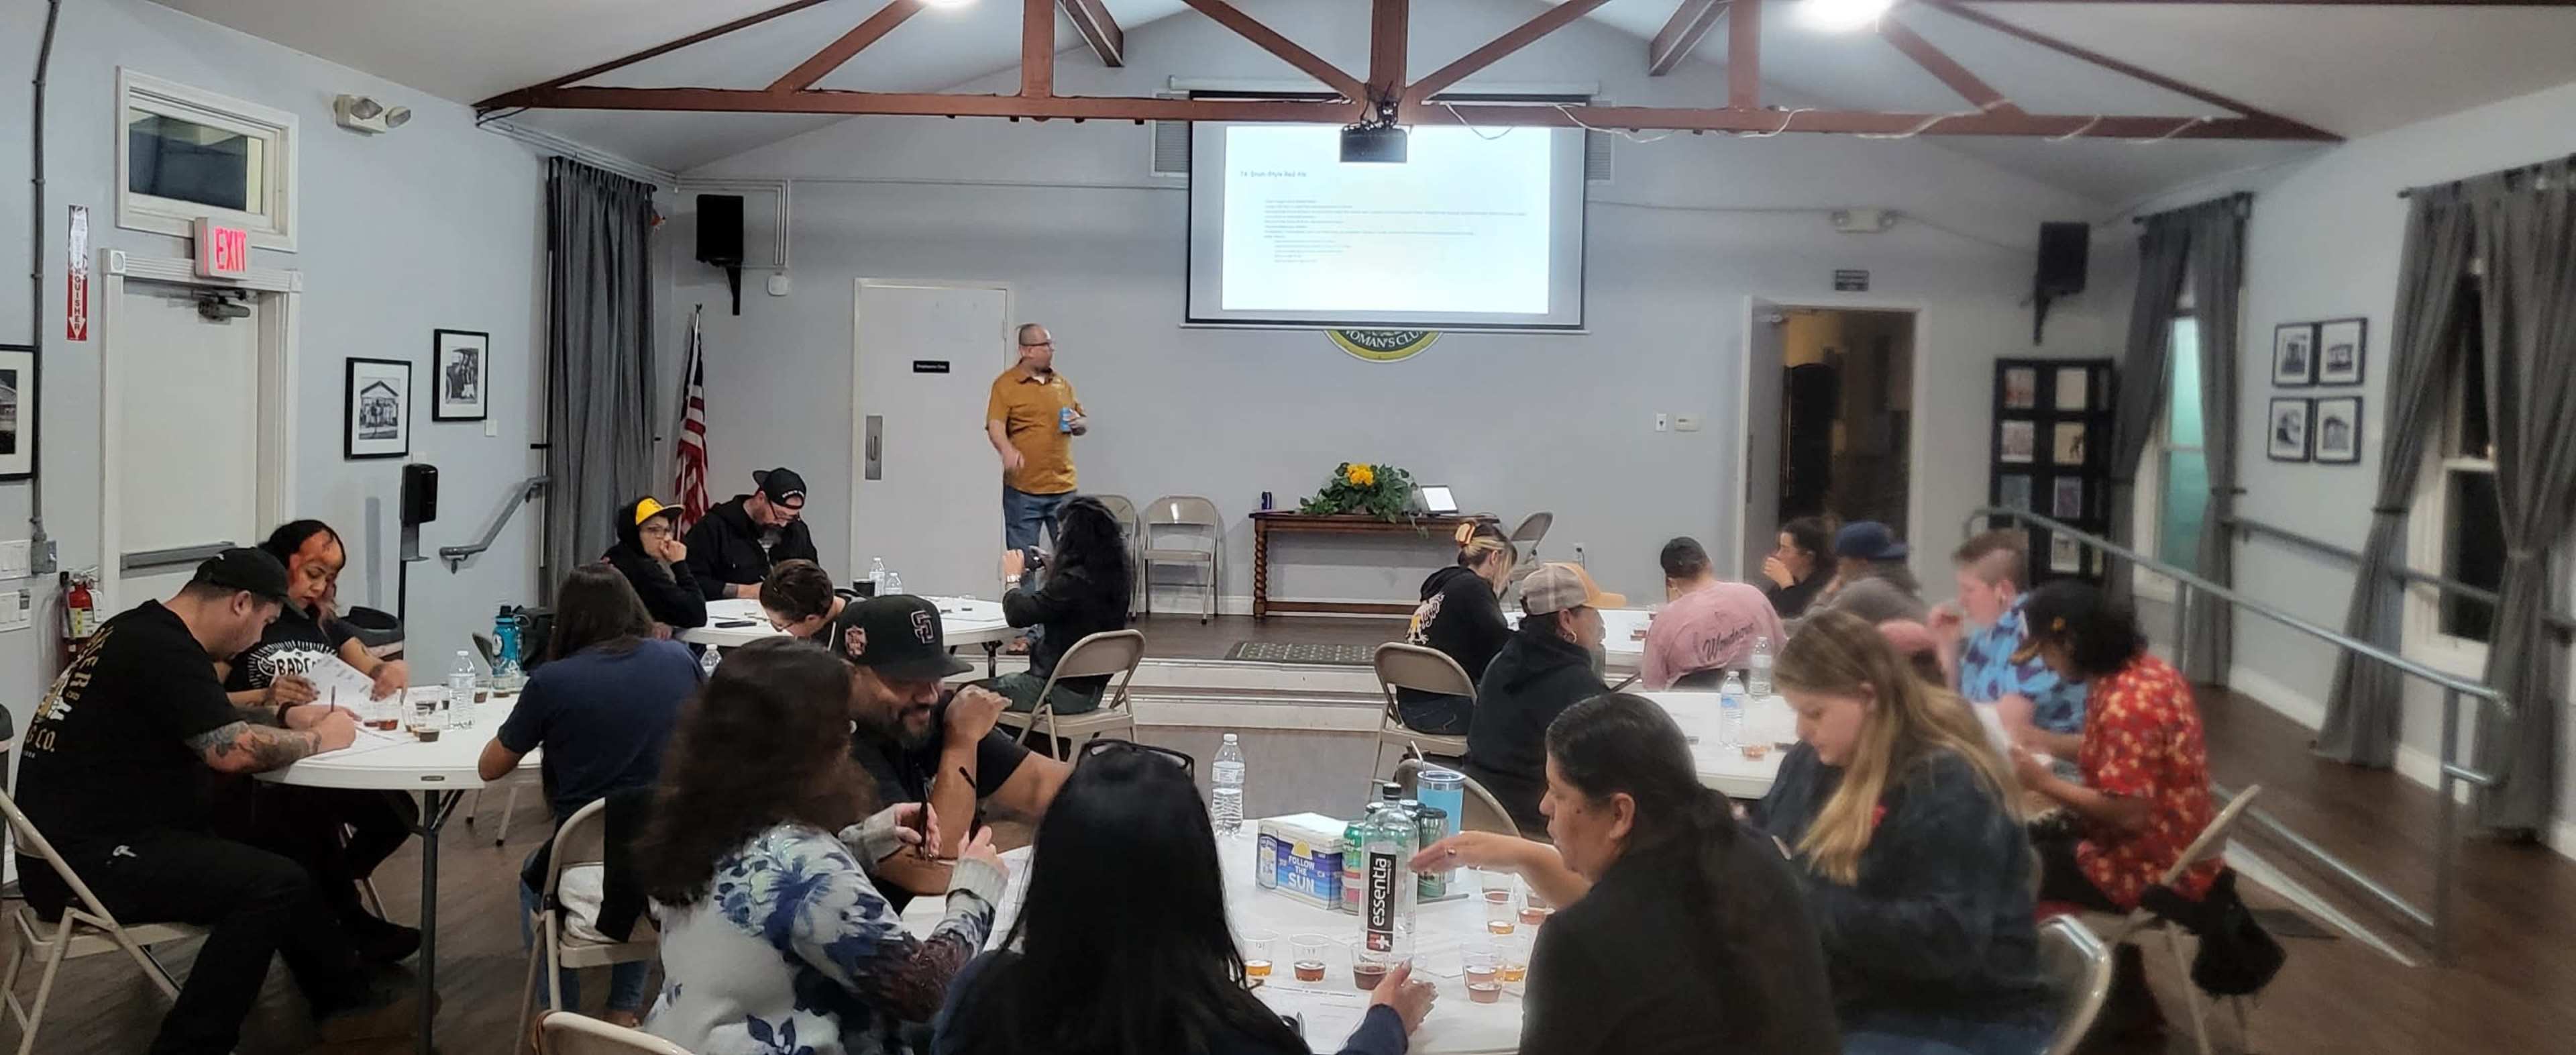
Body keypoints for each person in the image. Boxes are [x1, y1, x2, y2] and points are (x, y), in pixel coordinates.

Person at [15, 549, 417, 1052]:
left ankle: (345, 998)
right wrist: (322, 738)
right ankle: (192, 1043)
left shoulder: (138, 630)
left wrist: (284, 717)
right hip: (85, 863)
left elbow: (205, 719)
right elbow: (232, 753)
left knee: (284, 831)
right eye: (264, 623)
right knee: (272, 883)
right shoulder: (167, 650)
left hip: (69, 843)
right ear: (242, 603)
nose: (256, 639)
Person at [931, 744, 1438, 1055]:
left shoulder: (982, 998)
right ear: (1199, 887)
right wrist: (1386, 1024)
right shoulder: (1233, 1035)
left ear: (1049, 877)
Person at [637, 638, 1005, 1055]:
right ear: (809, 745)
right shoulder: (806, 864)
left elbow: (759, 892)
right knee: (991, 997)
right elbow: (923, 991)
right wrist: (975, 893)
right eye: (842, 727)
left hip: (685, 1037)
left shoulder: (691, 821)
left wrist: (860, 842)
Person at [1417, 695, 1840, 1054]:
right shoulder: (1755, 859)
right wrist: (1533, 858)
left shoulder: (1578, 943)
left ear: (1620, 814)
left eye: (1559, 793)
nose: (1545, 807)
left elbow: (1613, 936)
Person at [1754, 611, 2054, 1052]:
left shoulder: (1950, 784)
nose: (1803, 729)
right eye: (1798, 712)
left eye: (1814, 712)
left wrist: (1801, 899)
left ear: (1867, 696)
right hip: (1854, 992)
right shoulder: (1809, 764)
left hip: (1953, 1015)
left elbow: (1945, 941)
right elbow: (1771, 846)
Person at [480, 564, 703, 1027]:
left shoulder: (553, 681)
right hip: (671, 851)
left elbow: (490, 766)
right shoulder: (678, 660)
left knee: (532, 878)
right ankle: (623, 1010)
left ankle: (558, 1011)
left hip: (585, 855)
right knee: (636, 853)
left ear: (569, 619)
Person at [210, 520, 420, 962]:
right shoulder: (245, 623)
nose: (321, 587)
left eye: (331, 578)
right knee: (308, 813)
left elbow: (371, 665)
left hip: (330, 750)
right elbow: (208, 700)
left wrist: (392, 672)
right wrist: (266, 697)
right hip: (267, 765)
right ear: (281, 563)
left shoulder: (323, 624)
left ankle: (323, 901)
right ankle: (346, 918)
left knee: (398, 812)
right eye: (313, 573)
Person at [833, 594, 1074, 908]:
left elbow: (1040, 785)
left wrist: (1136, 801)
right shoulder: (832, 748)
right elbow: (936, 852)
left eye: (935, 675)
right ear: (848, 675)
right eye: (905, 680)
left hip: (935, 915)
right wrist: (962, 744)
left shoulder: (930, 714)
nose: (929, 696)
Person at [2010, 580, 2220, 913]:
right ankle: (2122, 961)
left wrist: (2043, 782)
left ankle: (2062, 959)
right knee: (2024, 839)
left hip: (2151, 876)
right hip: (2176, 856)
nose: (2046, 665)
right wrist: (2043, 740)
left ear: (2069, 643)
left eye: (2046, 652)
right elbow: (2119, 755)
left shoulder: (2129, 704)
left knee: (2012, 861)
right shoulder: (2147, 672)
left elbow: (2130, 814)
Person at [1463, 562, 1619, 836]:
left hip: (1482, 808)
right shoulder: (1576, 686)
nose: (1600, 622)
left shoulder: (1504, 661)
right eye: (1593, 611)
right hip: (1539, 821)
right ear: (1566, 619)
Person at [1929, 530, 2088, 748]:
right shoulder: (1987, 633)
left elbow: (2006, 725)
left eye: (1969, 590)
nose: (1961, 600)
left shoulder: (2037, 633)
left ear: (2003, 590)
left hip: (2048, 765)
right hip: (1990, 753)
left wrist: (1934, 711)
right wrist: (1946, 645)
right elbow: (1956, 701)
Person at [984, 495, 1131, 715]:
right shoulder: (1116, 579)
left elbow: (1018, 614)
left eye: (1062, 535)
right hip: (1092, 691)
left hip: (1058, 693)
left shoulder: (1071, 583)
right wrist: (1056, 569)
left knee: (969, 695)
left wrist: (1012, 579)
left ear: (1075, 540)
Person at [1397, 521, 1516, 734]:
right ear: (1495, 557)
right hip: (1445, 710)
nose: (1506, 579)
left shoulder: (1443, 584)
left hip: (1411, 707)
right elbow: (1504, 647)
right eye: (1507, 570)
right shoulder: (1474, 588)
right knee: (1530, 711)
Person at [987, 323, 1087, 553]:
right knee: (1023, 561)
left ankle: (1065, 591)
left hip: (1063, 488)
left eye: (1051, 345)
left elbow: (1083, 423)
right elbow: (995, 425)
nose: (1051, 350)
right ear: (1026, 351)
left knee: (1070, 558)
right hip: (1024, 490)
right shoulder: (1006, 385)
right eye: (1044, 345)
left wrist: (1078, 422)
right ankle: (1023, 592)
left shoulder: (1062, 385)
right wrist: (1007, 450)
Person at [1642, 536, 1786, 691]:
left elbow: (1653, 684)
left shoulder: (1666, 620)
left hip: (1692, 708)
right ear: (1709, 563)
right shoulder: (1753, 595)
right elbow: (1783, 652)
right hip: (1758, 701)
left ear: (1671, 581)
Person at [685, 467, 820, 600]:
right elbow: (691, 581)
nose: (783, 524)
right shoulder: (714, 527)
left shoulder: (796, 530)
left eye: (791, 517)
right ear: (761, 498)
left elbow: (813, 576)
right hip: (729, 614)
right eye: (780, 515)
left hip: (786, 615)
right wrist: (743, 591)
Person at [604, 495, 708, 632]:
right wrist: (679, 564)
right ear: (633, 533)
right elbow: (697, 615)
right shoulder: (642, 569)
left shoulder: (617, 554)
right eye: (654, 530)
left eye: (666, 530)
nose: (666, 539)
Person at [1812, 521, 1929, 625]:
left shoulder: (1864, 590)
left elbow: (1811, 631)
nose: (1838, 570)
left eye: (1841, 563)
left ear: (1862, 564)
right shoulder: (1900, 589)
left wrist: (1827, 594)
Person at [761, 558, 853, 640]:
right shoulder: (821, 614)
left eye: (780, 626)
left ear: (812, 619)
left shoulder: (857, 634)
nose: (779, 630)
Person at [1762, 517, 1833, 619]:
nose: (1778, 555)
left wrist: (1787, 586)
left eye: (1785, 550)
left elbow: (1799, 621)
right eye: (1779, 548)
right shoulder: (1787, 582)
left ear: (1808, 557)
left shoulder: (1827, 585)